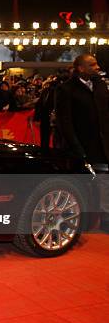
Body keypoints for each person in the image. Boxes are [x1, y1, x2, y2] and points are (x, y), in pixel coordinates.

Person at [55, 54, 109, 231]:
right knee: (83, 185)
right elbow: (65, 122)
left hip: (103, 146)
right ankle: (78, 222)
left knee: (105, 183)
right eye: (92, 64)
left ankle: (105, 221)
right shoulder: (66, 89)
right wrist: (77, 148)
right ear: (81, 68)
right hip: (81, 147)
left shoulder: (101, 85)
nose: (97, 66)